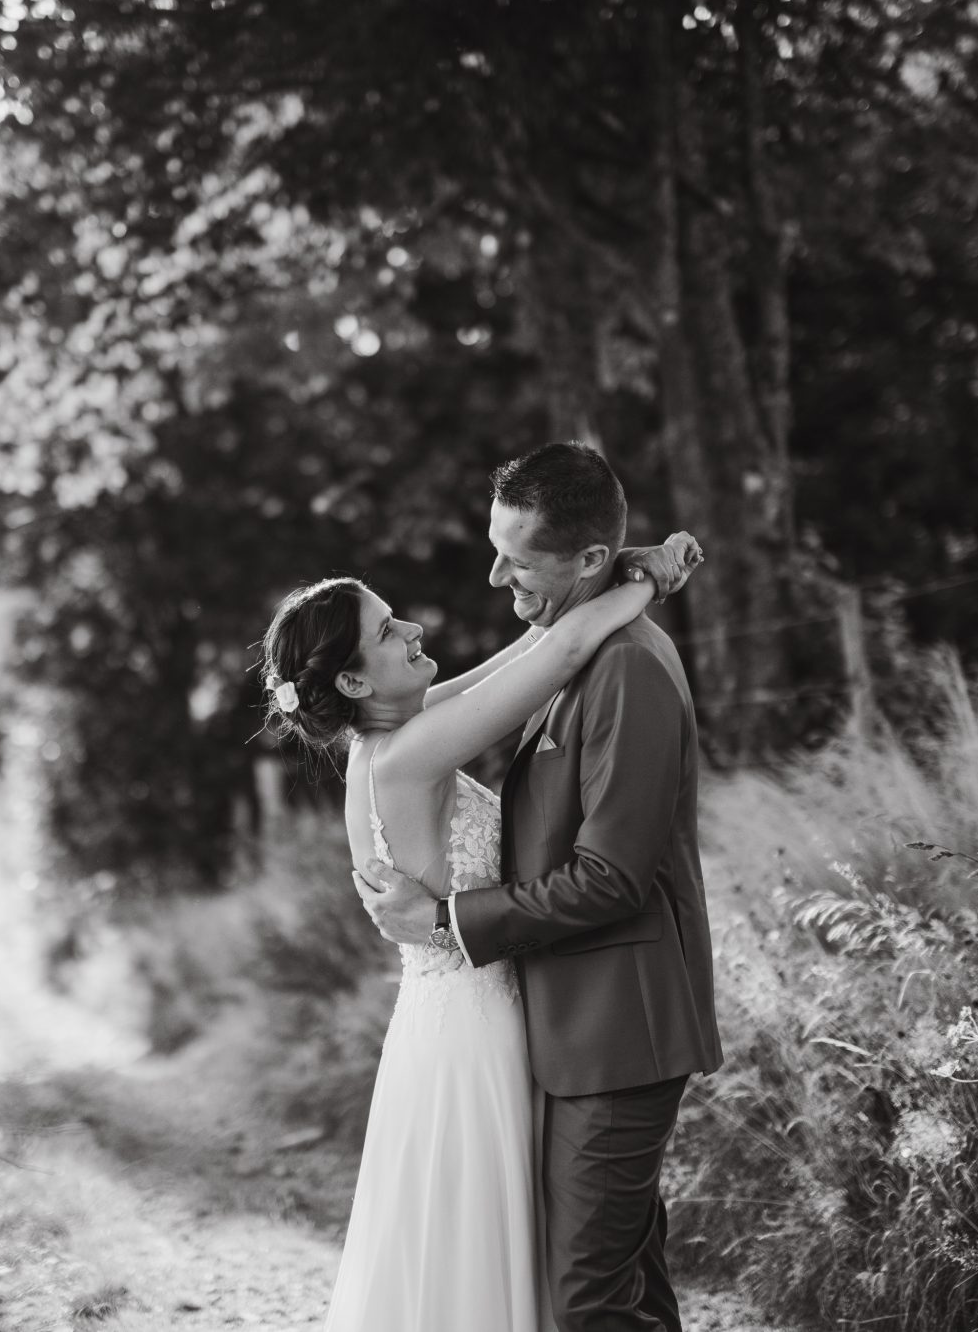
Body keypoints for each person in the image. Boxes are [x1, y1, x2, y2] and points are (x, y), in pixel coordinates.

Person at [257, 482, 701, 1332]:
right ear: (352, 678)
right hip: (472, 1028)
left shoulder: (397, 731)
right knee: (502, 1257)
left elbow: (523, 653)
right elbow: (561, 655)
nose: (413, 628)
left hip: (470, 1011)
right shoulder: (407, 755)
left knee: (533, 1255)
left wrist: (616, 574)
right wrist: (650, 577)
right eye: (388, 632)